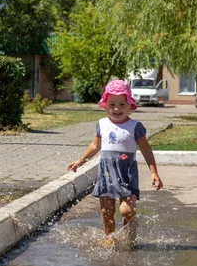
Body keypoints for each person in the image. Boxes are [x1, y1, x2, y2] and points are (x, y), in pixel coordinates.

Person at [67, 79, 163, 247]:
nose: (116, 109)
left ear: (130, 106)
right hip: (106, 173)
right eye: (112, 104)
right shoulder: (102, 124)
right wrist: (80, 160)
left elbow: (146, 150)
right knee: (106, 210)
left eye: (121, 104)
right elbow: (95, 145)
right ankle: (109, 238)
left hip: (127, 173)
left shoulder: (135, 126)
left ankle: (130, 233)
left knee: (125, 210)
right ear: (105, 105)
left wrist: (154, 172)